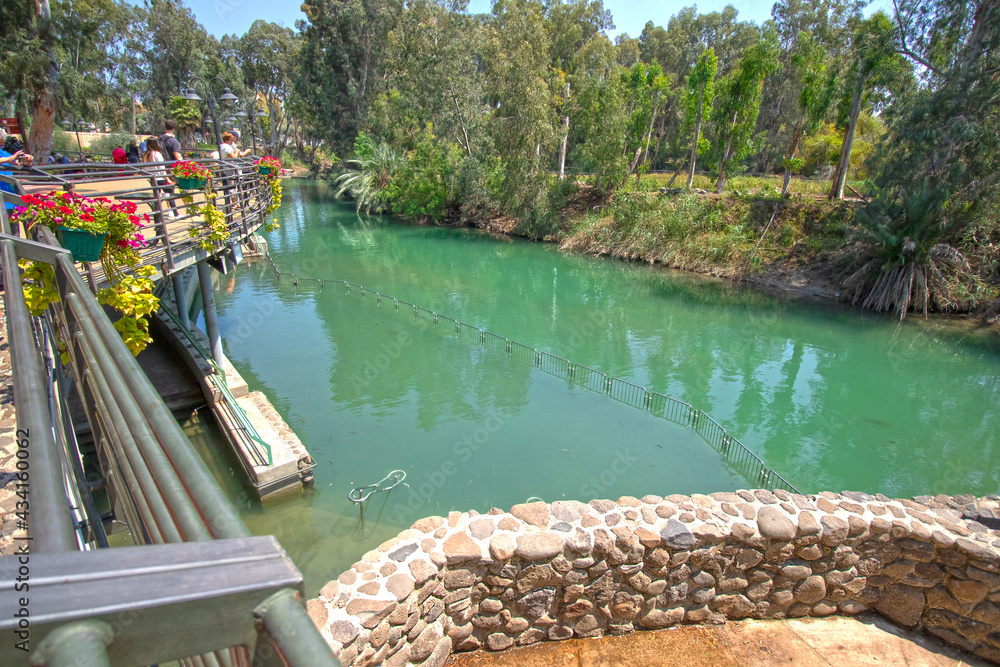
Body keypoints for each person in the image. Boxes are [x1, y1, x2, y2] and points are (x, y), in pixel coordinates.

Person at [142, 136, 180, 219]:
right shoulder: (157, 154)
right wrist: (167, 178)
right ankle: (176, 214)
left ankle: (158, 214)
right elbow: (162, 168)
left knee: (157, 196)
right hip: (160, 178)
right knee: (170, 194)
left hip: (152, 179)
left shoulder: (145, 155)